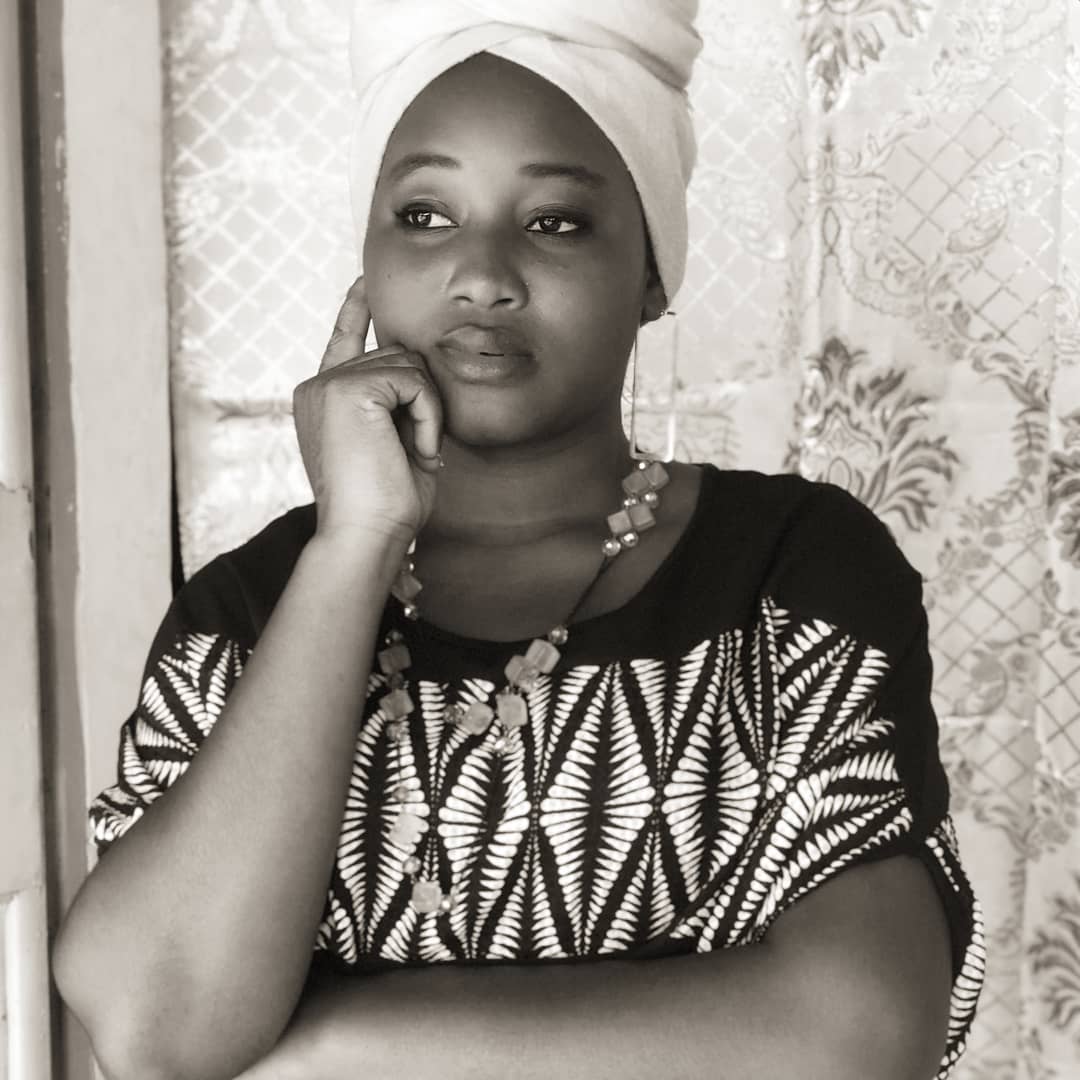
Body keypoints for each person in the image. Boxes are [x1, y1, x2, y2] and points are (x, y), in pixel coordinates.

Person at [52, 3, 985, 1078]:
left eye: (554, 222)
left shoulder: (793, 574)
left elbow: (855, 1037)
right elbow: (157, 1028)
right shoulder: (252, 615)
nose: (483, 272)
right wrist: (356, 547)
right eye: (425, 214)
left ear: (653, 272)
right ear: (367, 256)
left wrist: (308, 1051)